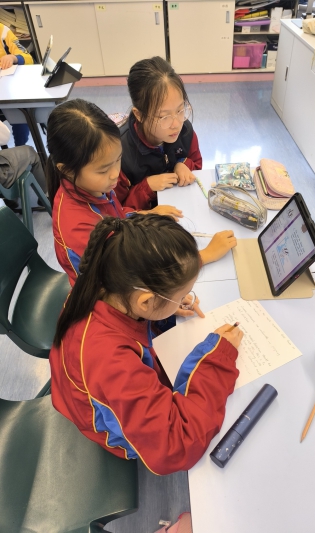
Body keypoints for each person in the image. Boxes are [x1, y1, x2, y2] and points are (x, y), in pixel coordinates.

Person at [49, 214, 243, 475]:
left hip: (90, 391)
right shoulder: (112, 362)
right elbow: (175, 447)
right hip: (107, 429)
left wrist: (164, 310)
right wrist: (218, 359)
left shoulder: (99, 284)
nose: (185, 299)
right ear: (145, 301)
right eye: (180, 296)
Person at [46, 98, 237, 286]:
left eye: (118, 160)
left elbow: (116, 217)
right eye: (103, 170)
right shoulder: (78, 228)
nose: (115, 174)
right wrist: (203, 256)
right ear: (67, 170)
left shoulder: (92, 186)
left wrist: (144, 215)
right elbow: (130, 281)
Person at [120, 56, 201, 198]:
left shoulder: (185, 131)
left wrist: (183, 164)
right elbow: (117, 206)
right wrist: (147, 187)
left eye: (180, 110)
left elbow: (197, 165)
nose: (176, 124)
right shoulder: (120, 152)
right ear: (139, 115)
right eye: (164, 117)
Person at [0, 24, 33, 146]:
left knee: (21, 113)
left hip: (7, 89)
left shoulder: (3, 31)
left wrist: (13, 58)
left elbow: (28, 58)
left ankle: (20, 148)